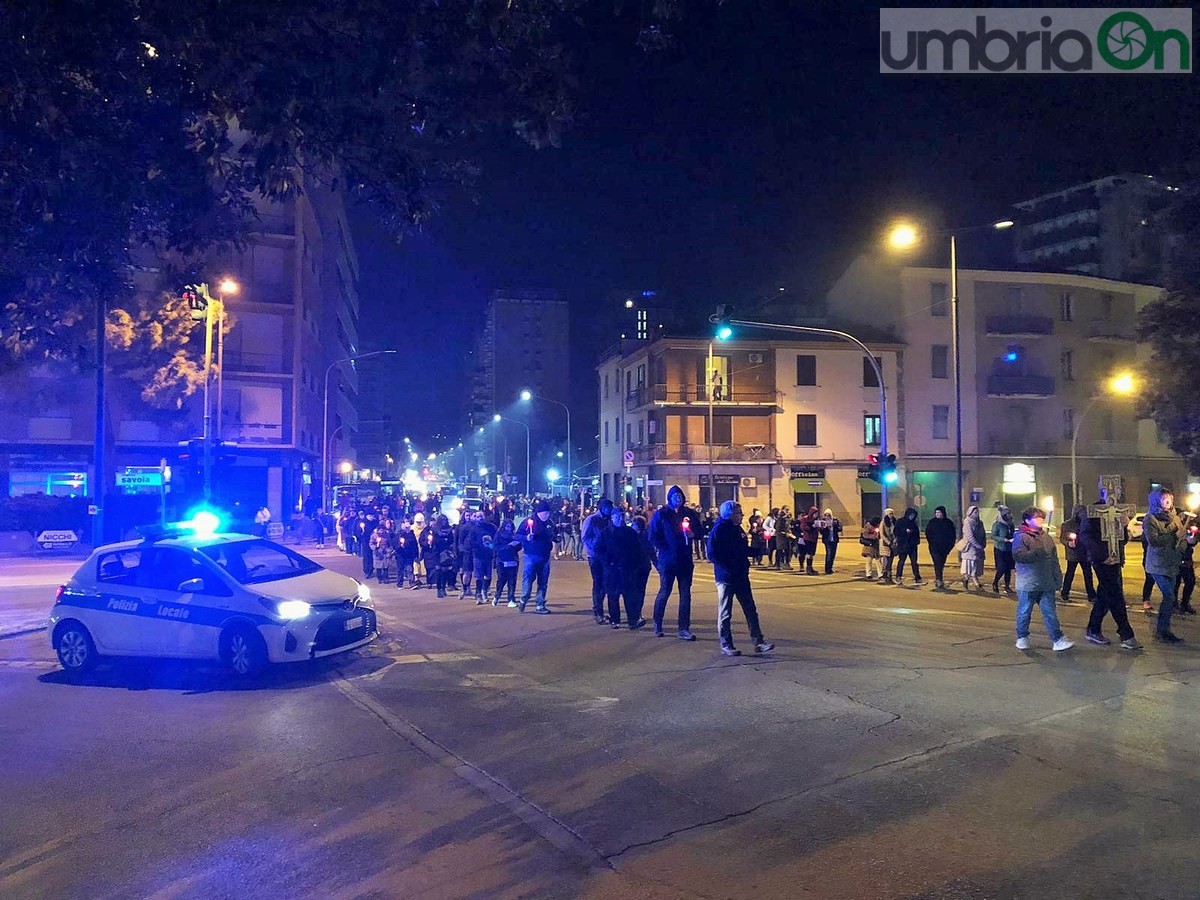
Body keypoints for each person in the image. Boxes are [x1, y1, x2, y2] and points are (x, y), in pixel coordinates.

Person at [707, 501, 774, 657]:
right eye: (739, 513)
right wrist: (726, 566)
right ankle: (726, 643)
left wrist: (757, 551)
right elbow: (712, 553)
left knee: (750, 609)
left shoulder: (738, 529)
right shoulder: (719, 530)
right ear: (730, 515)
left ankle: (758, 641)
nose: (741, 516)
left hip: (741, 575)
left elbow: (742, 549)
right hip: (726, 577)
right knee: (725, 612)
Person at [1079, 497, 1140, 650]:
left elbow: (1122, 540)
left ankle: (1093, 629)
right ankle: (1126, 634)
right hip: (1102, 561)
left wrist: (1124, 526)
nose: (1115, 493)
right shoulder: (1094, 511)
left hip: (1116, 559)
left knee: (1105, 596)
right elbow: (1085, 536)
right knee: (1115, 594)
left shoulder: (1119, 510)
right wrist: (1103, 555)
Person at [1012, 507, 1074, 652]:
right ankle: (1022, 638)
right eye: (1037, 517)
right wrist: (1035, 553)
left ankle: (1057, 639)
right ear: (1028, 520)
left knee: (1050, 612)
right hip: (1028, 582)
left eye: (1042, 517)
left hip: (1046, 582)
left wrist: (1058, 577)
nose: (1041, 520)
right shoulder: (1021, 537)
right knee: (1024, 612)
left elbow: (1053, 559)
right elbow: (1018, 556)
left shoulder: (1046, 537)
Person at [648, 485, 700, 640]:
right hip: (668, 560)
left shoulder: (689, 514)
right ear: (669, 498)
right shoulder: (662, 514)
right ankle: (657, 623)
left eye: (680, 496)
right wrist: (664, 549)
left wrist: (693, 534)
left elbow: (700, 531)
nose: (678, 499)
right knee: (665, 591)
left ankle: (684, 628)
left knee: (685, 594)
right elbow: (653, 535)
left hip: (685, 560)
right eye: (674, 496)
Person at [1143, 487, 1188, 643]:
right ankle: (1162, 631)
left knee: (1170, 597)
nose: (1168, 501)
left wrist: (1185, 543)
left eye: (1169, 497)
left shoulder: (1175, 517)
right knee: (1168, 596)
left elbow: (1180, 538)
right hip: (1157, 564)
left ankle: (1165, 629)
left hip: (1171, 563)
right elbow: (1154, 541)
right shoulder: (1151, 519)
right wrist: (1172, 532)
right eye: (1164, 498)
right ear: (1157, 500)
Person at [595, 507, 647, 629]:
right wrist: (607, 561)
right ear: (612, 518)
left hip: (627, 569)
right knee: (613, 595)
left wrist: (635, 564)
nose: (620, 519)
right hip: (612, 569)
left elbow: (638, 549)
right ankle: (615, 619)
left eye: (622, 516)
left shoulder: (630, 532)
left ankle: (633, 620)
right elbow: (598, 549)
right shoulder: (606, 532)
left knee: (630, 595)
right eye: (617, 516)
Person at [516, 500, 557, 613]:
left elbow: (554, 534)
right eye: (544, 513)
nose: (546, 515)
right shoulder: (529, 522)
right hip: (531, 555)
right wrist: (526, 538)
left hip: (545, 556)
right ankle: (524, 599)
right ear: (539, 512)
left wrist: (556, 538)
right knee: (528, 579)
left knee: (543, 581)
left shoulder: (550, 523)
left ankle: (540, 604)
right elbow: (517, 536)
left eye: (548, 513)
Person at [581, 498, 614, 624]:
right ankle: (598, 612)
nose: (609, 510)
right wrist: (595, 548)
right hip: (595, 556)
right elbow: (585, 537)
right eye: (606, 508)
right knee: (598, 583)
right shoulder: (592, 519)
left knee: (607, 583)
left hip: (607, 556)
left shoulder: (609, 519)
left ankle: (607, 612)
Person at [1059, 504, 1096, 604]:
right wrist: (1068, 543)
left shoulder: (1087, 523)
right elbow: (1062, 538)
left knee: (1088, 574)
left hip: (1084, 552)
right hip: (1073, 554)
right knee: (1070, 573)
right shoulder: (1067, 524)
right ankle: (1065, 592)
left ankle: (1091, 595)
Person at [627, 515, 655, 627]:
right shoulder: (634, 536)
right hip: (637, 567)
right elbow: (651, 552)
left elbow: (651, 552)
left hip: (640, 567)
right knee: (636, 592)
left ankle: (636, 615)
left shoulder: (641, 537)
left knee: (636, 592)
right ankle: (635, 615)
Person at [924, 506, 956, 589]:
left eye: (939, 513)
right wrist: (931, 543)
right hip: (934, 547)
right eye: (936, 513)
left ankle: (939, 578)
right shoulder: (932, 522)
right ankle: (939, 579)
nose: (937, 514)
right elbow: (928, 533)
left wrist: (950, 546)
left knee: (941, 563)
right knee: (937, 563)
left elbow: (952, 535)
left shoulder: (948, 523)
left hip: (945, 548)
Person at [494, 519, 522, 607]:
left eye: (510, 527)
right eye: (507, 526)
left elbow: (519, 547)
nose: (509, 528)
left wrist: (516, 545)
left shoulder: (514, 535)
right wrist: (508, 546)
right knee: (501, 580)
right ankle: (497, 596)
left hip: (513, 560)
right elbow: (496, 547)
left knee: (512, 581)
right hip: (502, 561)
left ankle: (511, 599)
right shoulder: (498, 535)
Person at [893, 507, 924, 586]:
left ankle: (917, 577)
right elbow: (896, 531)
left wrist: (916, 542)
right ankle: (898, 576)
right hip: (903, 545)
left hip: (912, 546)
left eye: (913, 515)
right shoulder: (900, 521)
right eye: (911, 515)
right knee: (901, 561)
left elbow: (916, 534)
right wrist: (904, 531)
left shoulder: (914, 523)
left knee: (914, 562)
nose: (912, 516)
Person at [471, 512, 497, 605]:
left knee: (488, 576)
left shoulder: (491, 527)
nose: (480, 518)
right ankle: (478, 594)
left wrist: (491, 546)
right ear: (475, 518)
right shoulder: (473, 529)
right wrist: (480, 545)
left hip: (489, 556)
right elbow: (471, 542)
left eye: (481, 516)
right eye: (478, 516)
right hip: (478, 555)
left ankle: (484, 591)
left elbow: (496, 539)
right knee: (479, 576)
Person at [960, 505, 986, 591]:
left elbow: (983, 534)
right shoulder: (967, 522)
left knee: (976, 566)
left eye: (977, 512)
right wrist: (977, 545)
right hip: (970, 548)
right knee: (970, 566)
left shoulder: (979, 522)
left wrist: (983, 544)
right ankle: (972, 582)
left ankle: (972, 581)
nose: (977, 514)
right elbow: (970, 536)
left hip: (978, 548)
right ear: (970, 513)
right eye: (975, 512)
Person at [991, 506, 1016, 594]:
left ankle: (1007, 586)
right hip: (1000, 549)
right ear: (1004, 515)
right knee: (1001, 568)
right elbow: (993, 536)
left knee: (1008, 569)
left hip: (1009, 549)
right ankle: (995, 583)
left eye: (1010, 513)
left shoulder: (1011, 524)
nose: (1010, 515)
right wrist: (1003, 539)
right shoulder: (998, 524)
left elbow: (1012, 534)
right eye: (1008, 514)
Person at [394, 519, 420, 590]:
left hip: (409, 555)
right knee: (400, 569)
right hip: (400, 555)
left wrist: (416, 555)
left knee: (410, 569)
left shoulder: (412, 534)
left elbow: (415, 545)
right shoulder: (398, 535)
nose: (407, 529)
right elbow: (394, 545)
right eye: (406, 527)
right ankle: (400, 584)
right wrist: (400, 546)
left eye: (408, 527)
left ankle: (412, 583)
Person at [819, 508, 842, 574]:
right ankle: (827, 569)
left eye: (828, 515)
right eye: (825, 515)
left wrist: (834, 526)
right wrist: (825, 527)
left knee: (833, 554)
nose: (827, 516)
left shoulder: (835, 520)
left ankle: (830, 568)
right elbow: (821, 532)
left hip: (834, 540)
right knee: (828, 553)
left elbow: (840, 528)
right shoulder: (823, 521)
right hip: (827, 540)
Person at [878, 508, 897, 584]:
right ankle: (885, 576)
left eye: (892, 513)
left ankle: (889, 576)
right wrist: (889, 542)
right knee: (886, 561)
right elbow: (882, 534)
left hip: (892, 543)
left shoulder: (894, 522)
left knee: (890, 560)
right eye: (890, 514)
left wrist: (895, 540)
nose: (891, 515)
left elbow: (895, 532)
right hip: (885, 544)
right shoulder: (883, 523)